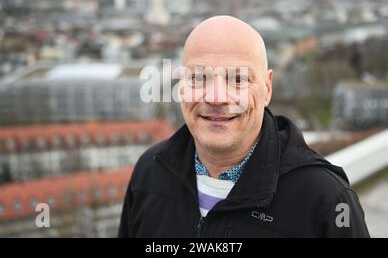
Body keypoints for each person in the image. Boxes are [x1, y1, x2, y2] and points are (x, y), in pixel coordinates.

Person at [118, 16, 370, 237]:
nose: (216, 97)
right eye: (198, 77)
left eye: (237, 79)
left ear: (267, 88)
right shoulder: (149, 171)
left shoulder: (326, 200)